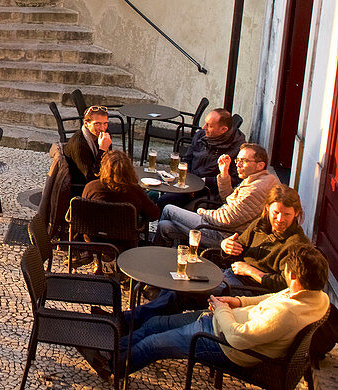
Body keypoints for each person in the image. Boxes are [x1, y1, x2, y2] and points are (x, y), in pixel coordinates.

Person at [117, 243, 330, 377]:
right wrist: (236, 302)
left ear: (292, 276)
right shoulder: (317, 296)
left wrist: (221, 309)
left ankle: (113, 366)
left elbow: (237, 338)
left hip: (225, 344)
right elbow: (273, 296)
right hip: (219, 322)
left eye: (285, 272)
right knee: (155, 324)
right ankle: (113, 348)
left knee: (152, 344)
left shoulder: (287, 313)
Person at [125, 184, 309, 327]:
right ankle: (140, 323)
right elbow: (237, 249)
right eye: (276, 213)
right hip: (229, 274)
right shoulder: (260, 225)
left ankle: (130, 321)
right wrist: (226, 246)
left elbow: (286, 286)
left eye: (287, 215)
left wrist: (252, 271)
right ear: (268, 208)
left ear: (296, 214)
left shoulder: (296, 245)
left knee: (180, 292)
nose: (280, 219)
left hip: (249, 292)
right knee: (176, 284)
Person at [155, 143, 278, 249]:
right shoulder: (256, 179)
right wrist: (224, 173)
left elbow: (225, 219)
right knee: (164, 226)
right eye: (238, 160)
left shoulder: (256, 189)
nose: (238, 164)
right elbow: (228, 198)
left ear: (260, 165)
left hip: (224, 235)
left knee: (168, 209)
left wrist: (202, 212)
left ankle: (153, 254)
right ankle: (162, 254)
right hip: (220, 226)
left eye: (244, 161)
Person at [158, 108, 245, 207]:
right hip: (190, 183)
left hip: (210, 191)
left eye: (210, 126)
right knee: (152, 194)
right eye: (205, 123)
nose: (204, 127)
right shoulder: (201, 135)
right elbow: (188, 159)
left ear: (223, 130)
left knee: (164, 201)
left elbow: (236, 180)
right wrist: (189, 181)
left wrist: (206, 181)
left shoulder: (238, 149)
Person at [63, 105, 113, 190]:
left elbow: (108, 160)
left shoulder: (104, 134)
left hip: (101, 175)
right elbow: (90, 178)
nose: (102, 128)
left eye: (105, 123)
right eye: (97, 124)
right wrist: (102, 150)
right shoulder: (79, 144)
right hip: (83, 186)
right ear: (86, 124)